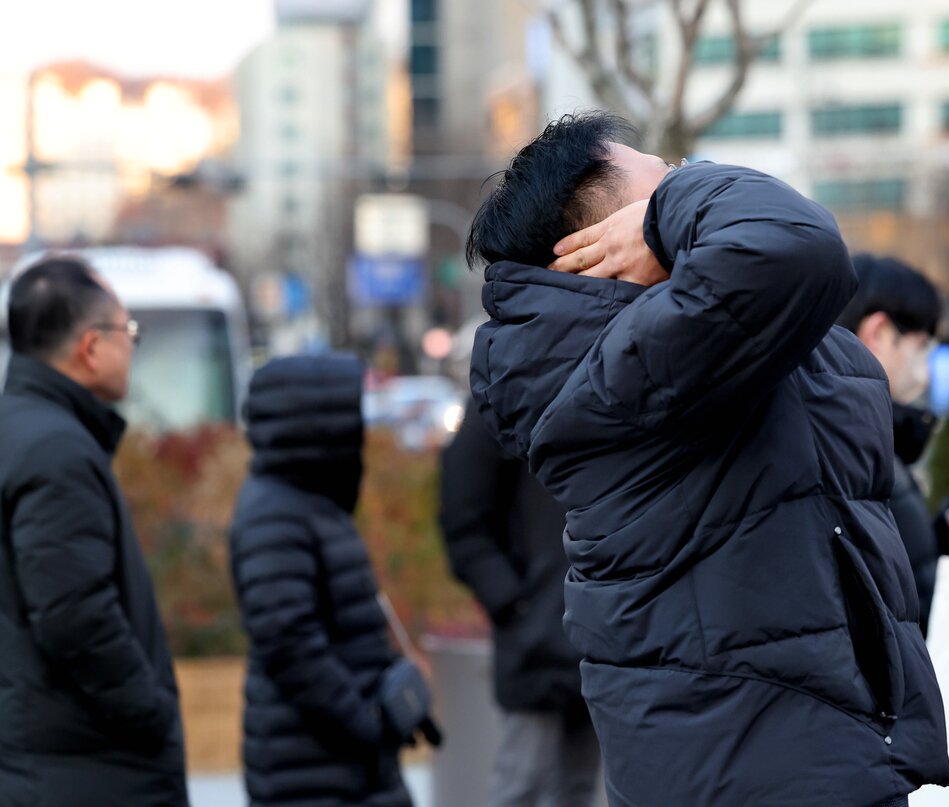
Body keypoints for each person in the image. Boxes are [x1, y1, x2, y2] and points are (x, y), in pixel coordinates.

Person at [467, 112, 949, 806]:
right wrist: (673, 212)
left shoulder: (651, 351)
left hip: (773, 749)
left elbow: (820, 385)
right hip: (756, 764)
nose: (681, 178)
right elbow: (797, 244)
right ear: (596, 233)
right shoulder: (624, 360)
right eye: (660, 179)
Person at [0, 255, 188, 806]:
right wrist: (148, 711)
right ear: (89, 347)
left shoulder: (20, 429)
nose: (132, 344)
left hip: (47, 754)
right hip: (88, 768)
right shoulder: (57, 451)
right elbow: (74, 616)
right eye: (126, 330)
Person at [230, 354, 438, 807]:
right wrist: (365, 722)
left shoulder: (307, 501)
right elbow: (289, 643)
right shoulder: (276, 513)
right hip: (314, 765)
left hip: (336, 763)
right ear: (314, 424)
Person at [439, 396, 600, 807]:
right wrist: (513, 604)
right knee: (523, 783)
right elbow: (462, 516)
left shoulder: (595, 372)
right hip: (536, 637)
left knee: (577, 787)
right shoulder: (501, 390)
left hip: (593, 627)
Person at [836, 253, 943, 632]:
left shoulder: (866, 441)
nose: (925, 369)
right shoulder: (858, 453)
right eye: (922, 345)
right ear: (878, 333)